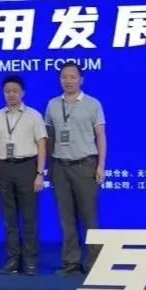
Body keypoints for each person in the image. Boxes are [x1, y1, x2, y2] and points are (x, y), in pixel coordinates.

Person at [45, 62, 107, 275]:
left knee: (89, 216)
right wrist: (47, 167)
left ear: (81, 79)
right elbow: (49, 137)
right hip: (60, 167)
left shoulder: (93, 104)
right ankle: (71, 262)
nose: (68, 81)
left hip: (84, 165)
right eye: (64, 77)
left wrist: (101, 165)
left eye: (72, 77)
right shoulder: (53, 104)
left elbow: (100, 136)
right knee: (66, 218)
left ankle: (95, 264)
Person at [0, 75, 47, 276]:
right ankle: (13, 260)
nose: (11, 94)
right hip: (3, 168)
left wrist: (40, 173)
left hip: (27, 168)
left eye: (15, 91)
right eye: (7, 91)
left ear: (23, 93)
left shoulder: (34, 115)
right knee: (9, 218)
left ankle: (30, 261)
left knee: (29, 217)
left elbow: (41, 145)